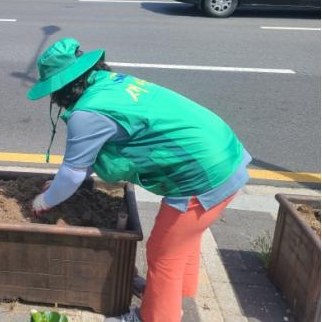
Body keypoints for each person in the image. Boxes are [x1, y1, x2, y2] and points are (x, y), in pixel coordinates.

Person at [27, 38, 251, 322]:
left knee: (162, 251)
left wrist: (43, 201)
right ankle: (172, 296)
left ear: (61, 88)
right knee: (183, 239)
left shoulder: (87, 113)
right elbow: (84, 162)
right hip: (225, 150)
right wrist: (63, 184)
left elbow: (72, 173)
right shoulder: (112, 83)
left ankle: (155, 316)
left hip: (204, 173)